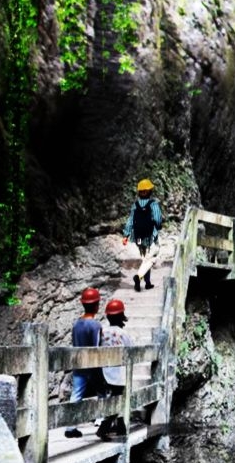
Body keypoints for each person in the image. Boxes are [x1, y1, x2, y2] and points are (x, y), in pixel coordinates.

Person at [65, 287, 104, 438]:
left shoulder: (76, 324)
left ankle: (70, 427)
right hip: (93, 366)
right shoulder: (95, 325)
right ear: (97, 305)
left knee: (76, 394)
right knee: (103, 392)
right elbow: (96, 347)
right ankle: (101, 421)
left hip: (78, 364)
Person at [97, 298, 133, 439]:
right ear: (121, 316)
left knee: (112, 397)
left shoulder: (102, 331)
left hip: (103, 370)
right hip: (118, 373)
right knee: (118, 398)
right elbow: (131, 350)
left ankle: (120, 426)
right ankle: (103, 428)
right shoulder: (123, 334)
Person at [122, 178, 163, 292]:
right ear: (149, 191)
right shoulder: (153, 204)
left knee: (145, 258)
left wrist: (126, 235)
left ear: (139, 192)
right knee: (151, 258)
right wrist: (158, 226)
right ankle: (138, 277)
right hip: (150, 236)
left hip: (138, 237)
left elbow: (130, 221)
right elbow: (158, 219)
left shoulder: (135, 205)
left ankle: (148, 283)